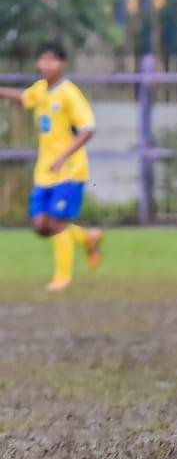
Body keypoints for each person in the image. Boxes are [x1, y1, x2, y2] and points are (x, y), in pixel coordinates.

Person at [0, 44, 104, 292]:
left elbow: (88, 129)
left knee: (56, 223)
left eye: (52, 61)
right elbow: (25, 99)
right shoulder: (41, 90)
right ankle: (88, 237)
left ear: (62, 64)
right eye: (43, 60)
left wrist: (63, 156)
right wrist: (3, 92)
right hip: (45, 170)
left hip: (68, 170)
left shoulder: (69, 93)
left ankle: (62, 277)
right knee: (40, 226)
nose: (46, 65)